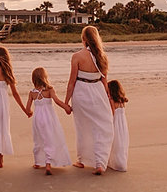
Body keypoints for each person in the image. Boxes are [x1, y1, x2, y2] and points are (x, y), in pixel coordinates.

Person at [65, 25, 113, 175]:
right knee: (102, 126)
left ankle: (82, 160)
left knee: (83, 127)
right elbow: (105, 82)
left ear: (84, 38)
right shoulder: (102, 57)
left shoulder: (77, 56)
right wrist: (109, 100)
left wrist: (66, 102)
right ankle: (100, 163)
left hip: (81, 92)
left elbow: (71, 81)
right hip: (98, 91)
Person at [26, 67, 73, 175]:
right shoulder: (49, 90)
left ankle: (38, 162)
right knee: (50, 138)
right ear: (44, 77)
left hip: (38, 119)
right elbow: (57, 101)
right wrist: (66, 107)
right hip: (49, 118)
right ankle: (48, 163)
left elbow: (28, 108)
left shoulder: (32, 93)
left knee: (39, 139)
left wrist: (30, 112)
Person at [107, 79, 129, 172]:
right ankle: (121, 162)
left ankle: (114, 162)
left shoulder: (111, 100)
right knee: (121, 143)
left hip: (115, 123)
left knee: (114, 143)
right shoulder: (122, 100)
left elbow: (112, 113)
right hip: (123, 125)